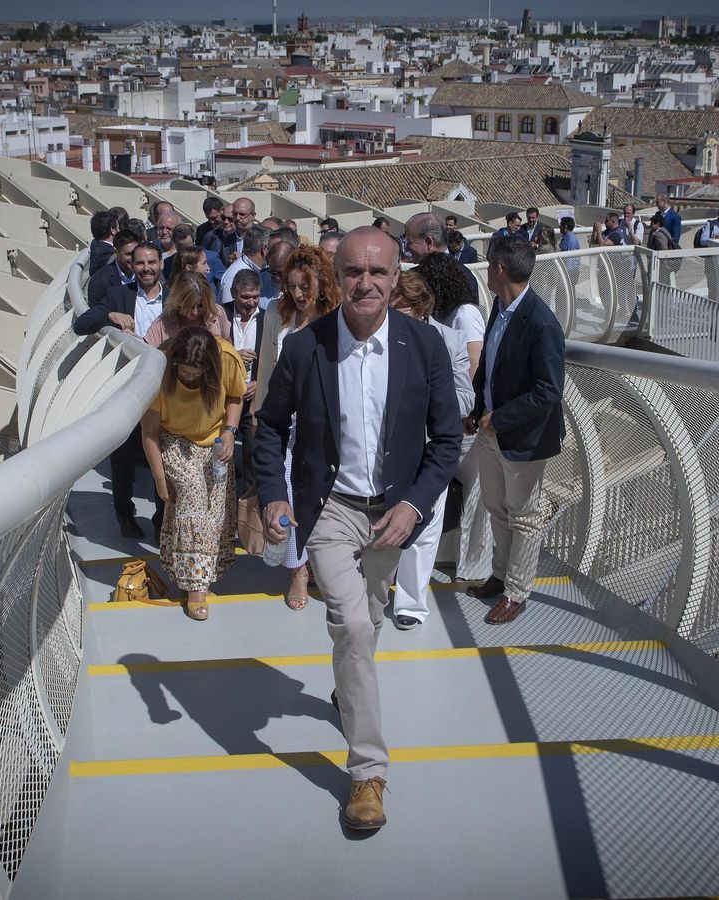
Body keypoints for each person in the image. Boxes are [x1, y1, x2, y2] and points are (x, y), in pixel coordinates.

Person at [253, 226, 462, 831]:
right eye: (353, 272)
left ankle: (348, 691)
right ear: (335, 279)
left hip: (393, 512)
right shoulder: (305, 347)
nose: (365, 283)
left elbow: (447, 441)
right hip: (333, 508)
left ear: (396, 278)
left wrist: (416, 506)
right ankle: (368, 773)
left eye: (378, 272)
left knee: (366, 625)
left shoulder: (424, 347)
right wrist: (271, 494)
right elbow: (268, 427)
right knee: (348, 619)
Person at [465, 236, 565, 626]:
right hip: (491, 428)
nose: (487, 270)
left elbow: (548, 391)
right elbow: (489, 365)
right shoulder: (500, 309)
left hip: (520, 438)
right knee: (496, 507)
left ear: (501, 269)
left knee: (524, 516)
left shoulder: (541, 322)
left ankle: (517, 593)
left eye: (489, 264)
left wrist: (499, 418)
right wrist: (478, 411)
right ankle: (501, 574)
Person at [253, 245, 342, 609]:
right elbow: (266, 368)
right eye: (291, 286)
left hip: (322, 422)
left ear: (322, 284)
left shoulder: (338, 317)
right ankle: (297, 571)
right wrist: (258, 418)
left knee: (324, 494)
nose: (298, 294)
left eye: (306, 286)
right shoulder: (276, 312)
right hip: (284, 419)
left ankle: (325, 563)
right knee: (285, 493)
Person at [389, 271, 474, 630]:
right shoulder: (375, 333)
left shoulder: (450, 339)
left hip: (431, 445)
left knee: (425, 523)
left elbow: (466, 398)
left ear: (421, 310)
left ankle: (410, 603)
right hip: (385, 445)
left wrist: (425, 399)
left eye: (403, 309)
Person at [141, 326, 244, 621]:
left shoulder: (226, 358)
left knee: (212, 511)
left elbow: (235, 397)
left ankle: (186, 568)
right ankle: (196, 587)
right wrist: (160, 479)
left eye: (195, 373)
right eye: (184, 371)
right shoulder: (160, 371)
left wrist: (230, 433)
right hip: (174, 439)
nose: (189, 377)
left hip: (214, 440)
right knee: (194, 502)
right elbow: (149, 432)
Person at [73, 239, 167, 540]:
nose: (146, 268)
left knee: (163, 456)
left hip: (168, 392)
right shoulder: (118, 295)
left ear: (161, 264)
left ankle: (163, 518)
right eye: (140, 263)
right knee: (124, 456)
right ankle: (124, 514)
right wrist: (109, 316)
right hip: (128, 389)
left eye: (151, 262)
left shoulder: (175, 297)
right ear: (132, 265)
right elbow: (82, 323)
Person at [417, 250, 486, 580]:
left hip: (464, 424)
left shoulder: (464, 315)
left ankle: (472, 567)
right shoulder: (448, 315)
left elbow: (473, 368)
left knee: (475, 494)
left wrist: (459, 412)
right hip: (449, 422)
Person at [224, 268, 264, 488]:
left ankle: (249, 507)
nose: (251, 302)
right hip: (224, 397)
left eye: (255, 296)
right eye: (245, 297)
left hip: (252, 399)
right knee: (221, 451)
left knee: (252, 454)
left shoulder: (268, 319)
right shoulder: (219, 316)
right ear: (233, 293)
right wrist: (233, 356)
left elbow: (275, 359)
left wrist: (260, 381)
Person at [145, 268, 231, 347]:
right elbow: (147, 352)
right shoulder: (164, 322)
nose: (195, 312)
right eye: (189, 306)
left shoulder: (216, 313)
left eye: (200, 306)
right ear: (178, 302)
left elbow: (228, 345)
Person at [219, 223, 271, 306]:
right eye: (273, 247)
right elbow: (230, 312)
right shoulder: (233, 276)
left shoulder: (264, 269)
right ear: (265, 249)